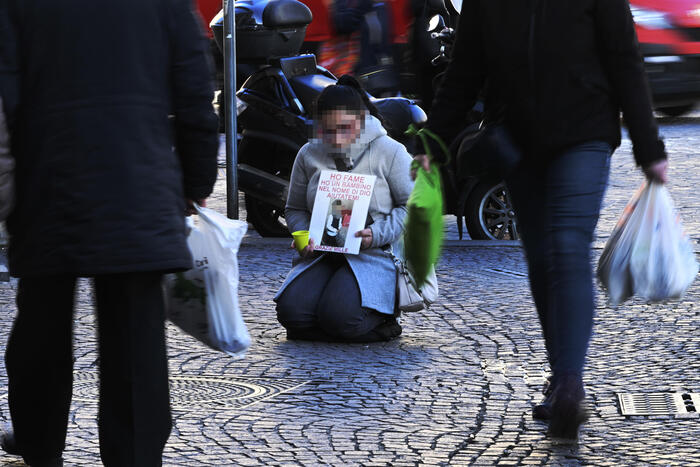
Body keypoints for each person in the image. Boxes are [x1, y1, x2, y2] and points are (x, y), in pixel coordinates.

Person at [415, 0, 669, 440]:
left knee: (567, 247)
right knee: (541, 256)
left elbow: (625, 60)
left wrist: (648, 147)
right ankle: (564, 381)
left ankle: (569, 381)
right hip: (516, 142)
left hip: (583, 136)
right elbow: (464, 69)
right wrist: (433, 140)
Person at [0, 0, 219, 465]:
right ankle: (134, 455)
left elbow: (6, 91)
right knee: (136, 337)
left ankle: (39, 445)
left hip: (47, 181)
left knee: (41, 326)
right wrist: (197, 180)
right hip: (138, 182)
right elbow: (195, 91)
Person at [275, 75, 413, 342]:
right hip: (322, 255)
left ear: (361, 122)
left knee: (340, 319)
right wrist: (304, 235)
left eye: (344, 128)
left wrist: (377, 233)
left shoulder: (391, 152)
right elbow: (294, 208)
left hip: (375, 254)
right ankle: (337, 315)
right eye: (327, 130)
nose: (336, 139)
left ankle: (383, 319)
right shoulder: (308, 153)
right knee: (292, 316)